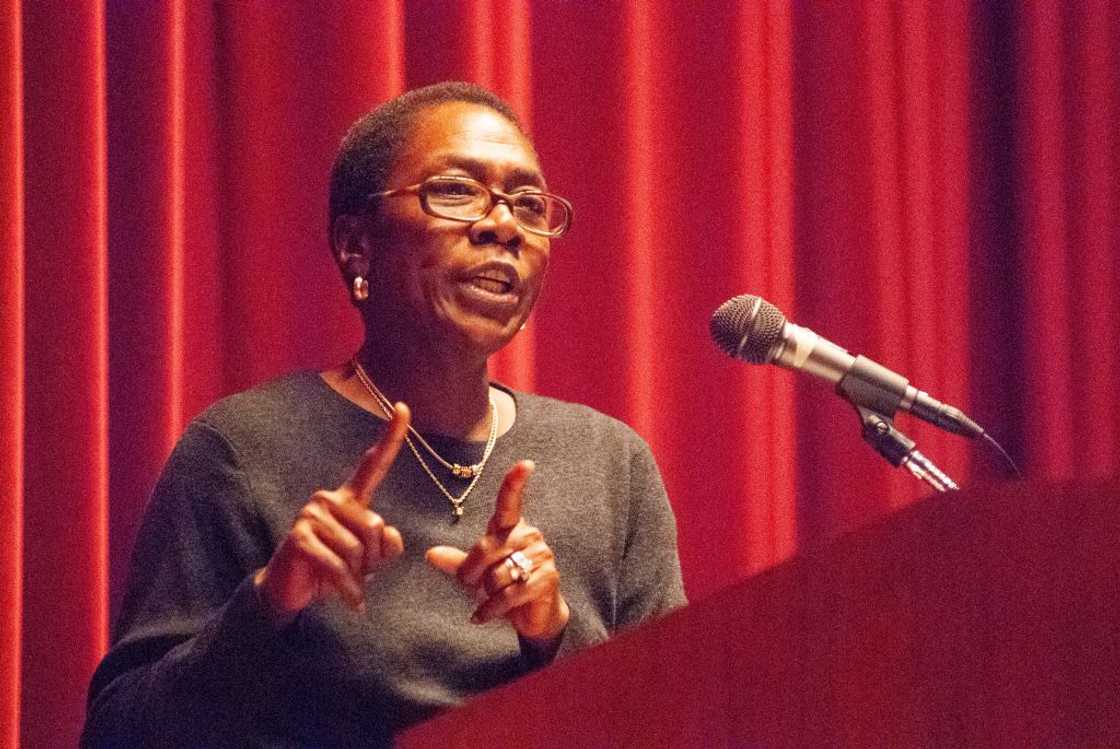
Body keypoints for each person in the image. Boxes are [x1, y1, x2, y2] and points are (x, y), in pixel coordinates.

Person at [82, 81, 686, 748]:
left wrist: (554, 635)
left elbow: (682, 723)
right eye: (456, 191)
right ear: (357, 247)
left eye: (528, 203)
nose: (504, 225)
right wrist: (267, 602)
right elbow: (119, 733)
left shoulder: (610, 463)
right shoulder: (242, 451)